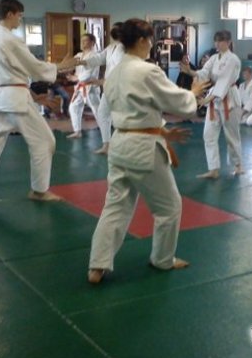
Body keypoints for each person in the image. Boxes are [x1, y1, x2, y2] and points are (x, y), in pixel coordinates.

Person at [87, 19, 209, 284]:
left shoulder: (114, 73)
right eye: (151, 40)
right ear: (142, 41)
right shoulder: (146, 71)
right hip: (143, 148)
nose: (152, 45)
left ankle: (97, 265)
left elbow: (135, 110)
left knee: (115, 206)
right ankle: (163, 259)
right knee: (169, 207)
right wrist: (193, 93)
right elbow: (179, 104)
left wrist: (162, 130)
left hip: (120, 143)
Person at [0, 0, 77, 210]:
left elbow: (15, 71)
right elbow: (33, 67)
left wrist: (35, 96)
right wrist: (61, 66)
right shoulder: (11, 40)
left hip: (2, 97)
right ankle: (39, 190)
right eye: (19, 15)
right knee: (44, 141)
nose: (20, 19)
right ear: (10, 14)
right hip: (16, 100)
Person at [180, 30, 243, 179]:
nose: (217, 44)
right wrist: (190, 71)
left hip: (229, 99)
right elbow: (204, 73)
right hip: (215, 99)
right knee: (208, 134)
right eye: (216, 41)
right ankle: (213, 169)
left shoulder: (233, 60)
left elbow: (225, 81)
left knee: (231, 136)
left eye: (220, 41)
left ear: (228, 42)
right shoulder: (214, 58)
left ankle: (238, 165)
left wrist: (207, 100)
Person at [82, 23, 125, 154]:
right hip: (108, 87)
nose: (112, 32)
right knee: (102, 113)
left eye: (115, 30)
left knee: (121, 117)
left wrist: (100, 81)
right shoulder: (111, 47)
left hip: (120, 87)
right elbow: (98, 59)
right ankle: (107, 145)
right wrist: (81, 61)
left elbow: (121, 70)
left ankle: (124, 145)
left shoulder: (124, 49)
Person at [67, 33, 102, 138]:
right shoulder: (78, 55)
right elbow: (71, 65)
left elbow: (89, 73)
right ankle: (77, 131)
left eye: (85, 40)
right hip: (80, 87)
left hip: (90, 87)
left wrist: (76, 78)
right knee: (74, 107)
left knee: (97, 110)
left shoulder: (94, 56)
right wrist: (62, 70)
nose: (82, 43)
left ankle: (107, 130)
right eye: (81, 40)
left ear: (92, 43)